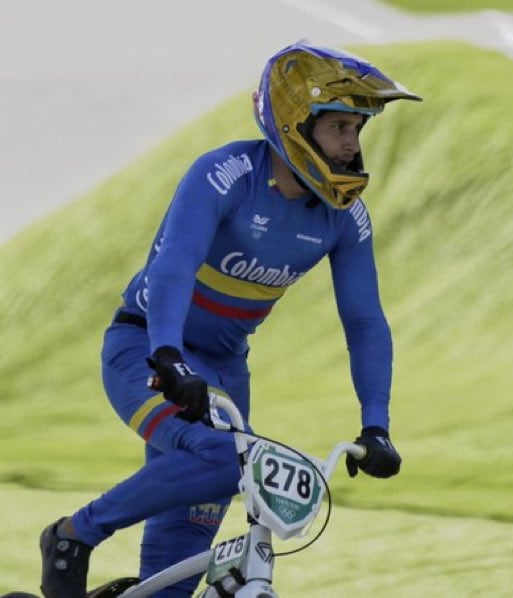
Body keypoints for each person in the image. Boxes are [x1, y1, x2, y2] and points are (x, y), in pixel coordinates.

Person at [38, 40, 421, 597]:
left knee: (175, 575)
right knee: (224, 462)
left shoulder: (346, 218)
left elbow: (365, 324)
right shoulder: (225, 174)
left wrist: (377, 424)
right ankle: (75, 534)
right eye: (339, 126)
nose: (351, 145)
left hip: (223, 372)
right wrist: (167, 355)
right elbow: (173, 267)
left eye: (357, 129)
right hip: (145, 348)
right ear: (296, 124)